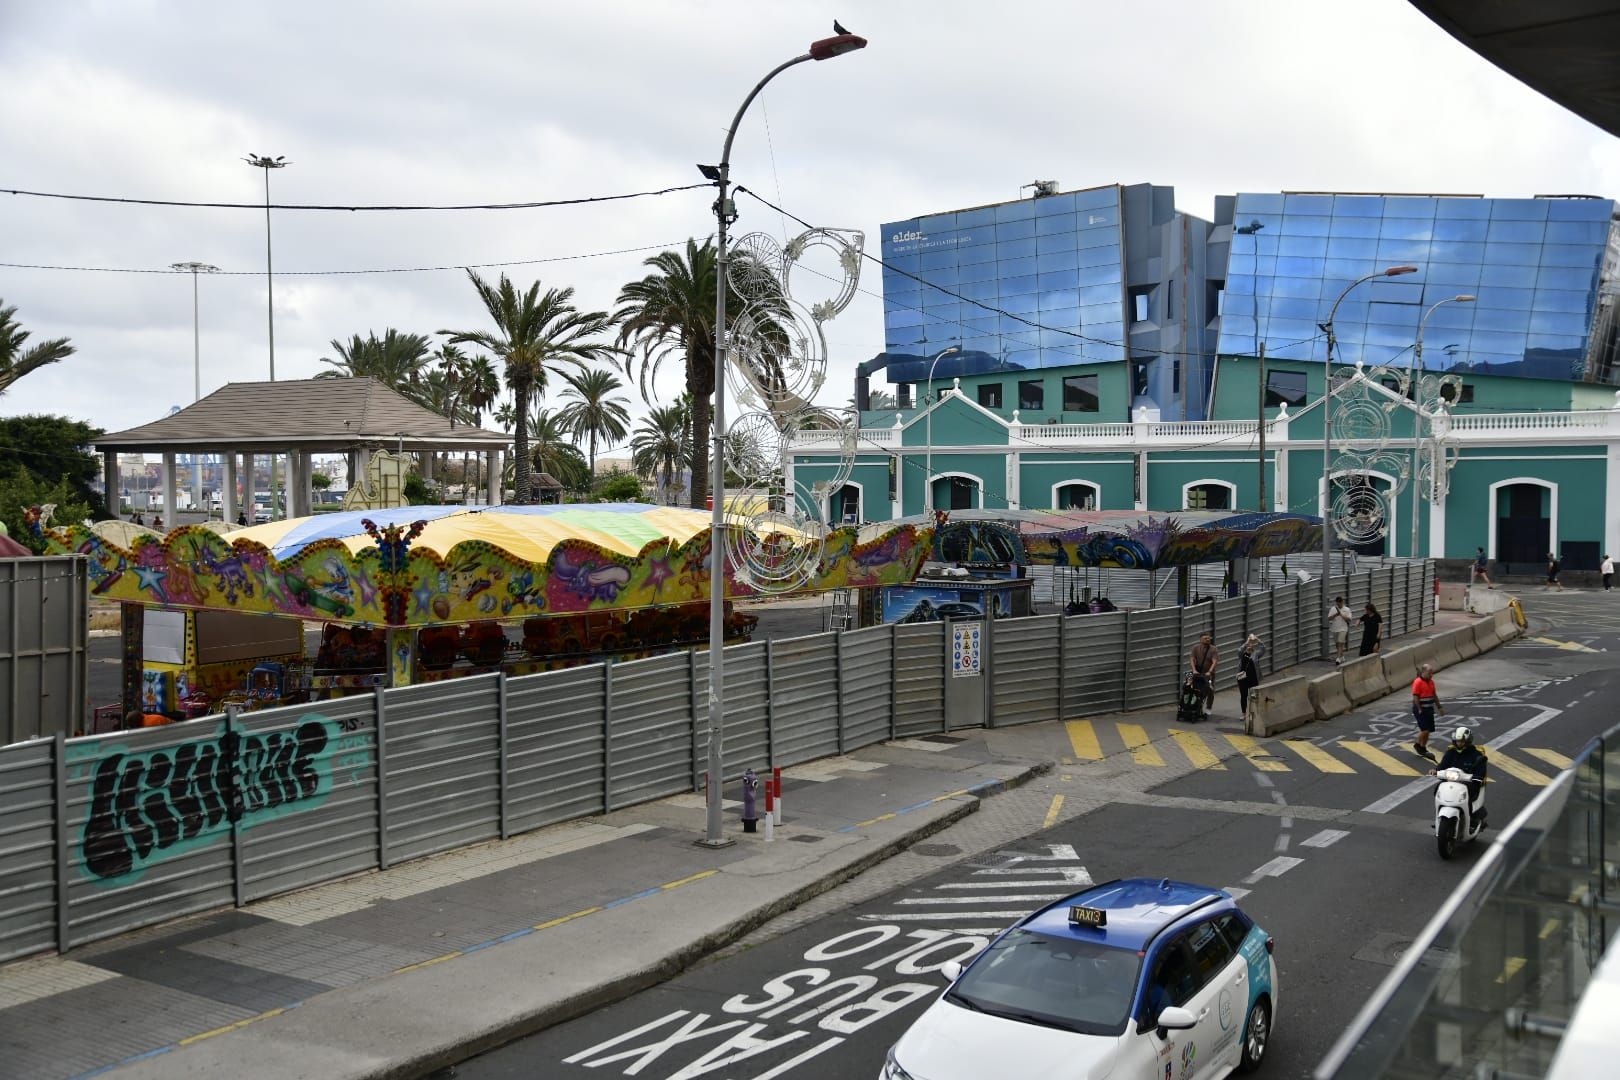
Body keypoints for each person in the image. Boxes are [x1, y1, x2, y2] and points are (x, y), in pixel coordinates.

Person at [1430, 725, 1488, 826]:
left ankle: (1471, 820)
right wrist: (1435, 770)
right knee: (1437, 789)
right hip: (1451, 780)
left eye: (1461, 741)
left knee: (1468, 796)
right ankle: (1439, 816)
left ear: (1468, 741)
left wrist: (1477, 777)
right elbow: (1443, 765)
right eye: (1457, 741)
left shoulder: (1476, 754)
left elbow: (1481, 769)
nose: (1459, 743)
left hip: (1469, 782)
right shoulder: (1451, 752)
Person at [1411, 662, 1445, 761]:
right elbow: (1416, 697)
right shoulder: (1418, 682)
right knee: (1425, 729)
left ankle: (1423, 747)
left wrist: (1439, 707)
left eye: (1432, 673)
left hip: (1429, 709)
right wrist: (1420, 709)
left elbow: (1434, 695)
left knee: (1429, 730)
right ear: (1424, 672)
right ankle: (1417, 745)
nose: (1431, 675)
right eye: (1430, 672)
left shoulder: (1431, 682)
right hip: (1420, 709)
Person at [1189, 631, 1219, 717]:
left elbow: (1214, 661)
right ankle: (1194, 705)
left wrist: (1210, 671)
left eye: (1208, 638)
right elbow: (1192, 659)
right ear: (1200, 639)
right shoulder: (1195, 648)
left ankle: (1209, 707)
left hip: (1208, 674)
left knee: (1210, 690)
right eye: (1205, 638)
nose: (1207, 639)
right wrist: (1194, 670)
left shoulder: (1213, 649)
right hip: (1197, 672)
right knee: (1191, 687)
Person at [1236, 634, 1265, 717]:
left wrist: (1258, 640)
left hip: (1253, 678)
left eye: (1251, 645)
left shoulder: (1256, 654)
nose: (1250, 646)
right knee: (1243, 696)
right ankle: (1244, 713)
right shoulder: (1242, 655)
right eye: (1248, 645)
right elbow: (1239, 650)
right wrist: (1247, 642)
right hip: (1242, 678)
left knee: (1254, 696)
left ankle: (1254, 712)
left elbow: (1263, 649)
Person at [1327, 596, 1353, 665]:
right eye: (1337, 604)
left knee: (1340, 642)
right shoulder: (1333, 609)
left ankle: (1338, 658)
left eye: (1339, 604)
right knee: (1337, 644)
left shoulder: (1347, 609)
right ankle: (1341, 656)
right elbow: (1329, 618)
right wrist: (1336, 614)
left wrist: (1341, 615)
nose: (1338, 605)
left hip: (1343, 629)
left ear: (1342, 602)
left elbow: (1349, 619)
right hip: (1335, 628)